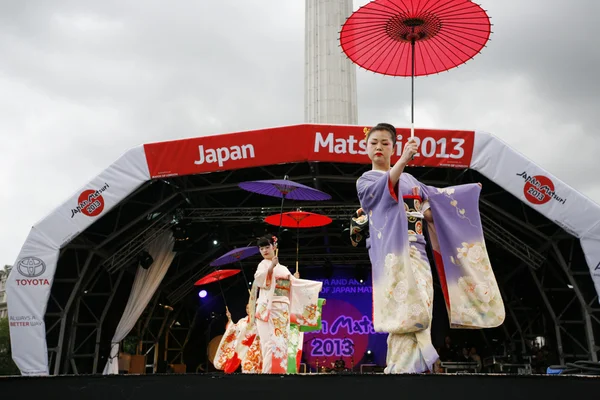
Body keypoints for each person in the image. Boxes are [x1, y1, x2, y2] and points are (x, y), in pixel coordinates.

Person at [354, 123, 505, 374]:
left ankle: (402, 368)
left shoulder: (412, 181)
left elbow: (432, 212)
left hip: (418, 252)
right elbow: (383, 194)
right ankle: (404, 369)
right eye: (374, 142)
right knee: (408, 312)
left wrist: (464, 199)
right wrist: (403, 160)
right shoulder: (366, 180)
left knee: (421, 307)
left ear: (393, 146)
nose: (379, 147)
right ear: (366, 147)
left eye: (385, 142)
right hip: (393, 254)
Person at [248, 234, 323, 374]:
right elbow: (259, 280)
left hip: (282, 309)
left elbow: (296, 287)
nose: (264, 251)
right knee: (269, 344)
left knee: (281, 344)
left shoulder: (283, 269)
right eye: (261, 248)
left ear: (274, 247)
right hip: (268, 309)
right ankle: (268, 375)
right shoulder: (263, 265)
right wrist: (271, 267)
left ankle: (279, 375)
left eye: (267, 247)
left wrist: (314, 286)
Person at [213, 303, 262, 374]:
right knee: (247, 366)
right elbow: (233, 330)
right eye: (247, 308)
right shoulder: (242, 321)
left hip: (257, 346)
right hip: (245, 347)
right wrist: (229, 319)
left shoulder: (259, 321)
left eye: (250, 308)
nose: (248, 310)